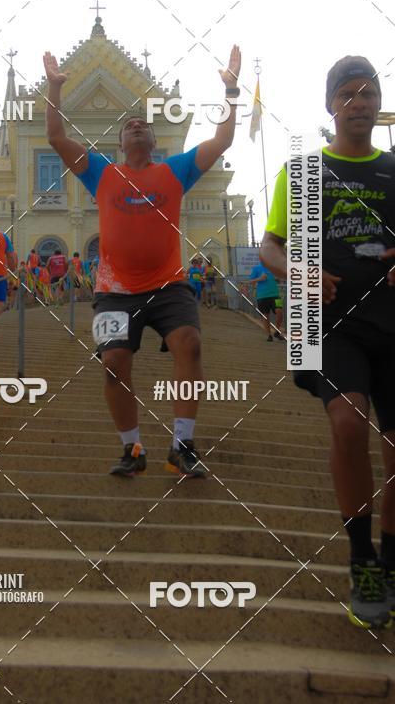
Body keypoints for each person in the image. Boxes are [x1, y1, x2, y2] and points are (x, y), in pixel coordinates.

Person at [44, 45, 241, 477]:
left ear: (153, 141)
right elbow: (56, 138)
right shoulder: (102, 173)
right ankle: (132, 449)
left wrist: (230, 90)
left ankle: (182, 444)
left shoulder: (175, 171)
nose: (136, 126)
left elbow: (223, 139)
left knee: (188, 342)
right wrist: (54, 89)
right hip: (113, 291)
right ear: (119, 143)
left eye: (143, 125)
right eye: (129, 125)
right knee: (114, 364)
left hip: (169, 284)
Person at [261, 55, 395, 630]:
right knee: (347, 421)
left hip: (393, 322)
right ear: (330, 105)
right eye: (348, 94)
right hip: (327, 323)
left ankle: (389, 561)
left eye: (369, 93)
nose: (359, 102)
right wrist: (301, 271)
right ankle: (362, 561)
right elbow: (270, 247)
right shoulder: (304, 174)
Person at [246, 261, 281, 341]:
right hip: (262, 296)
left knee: (280, 312)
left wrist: (278, 279)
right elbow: (250, 282)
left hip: (276, 295)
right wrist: (260, 278)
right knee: (265, 316)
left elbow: (279, 280)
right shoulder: (256, 268)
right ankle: (269, 335)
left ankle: (277, 332)